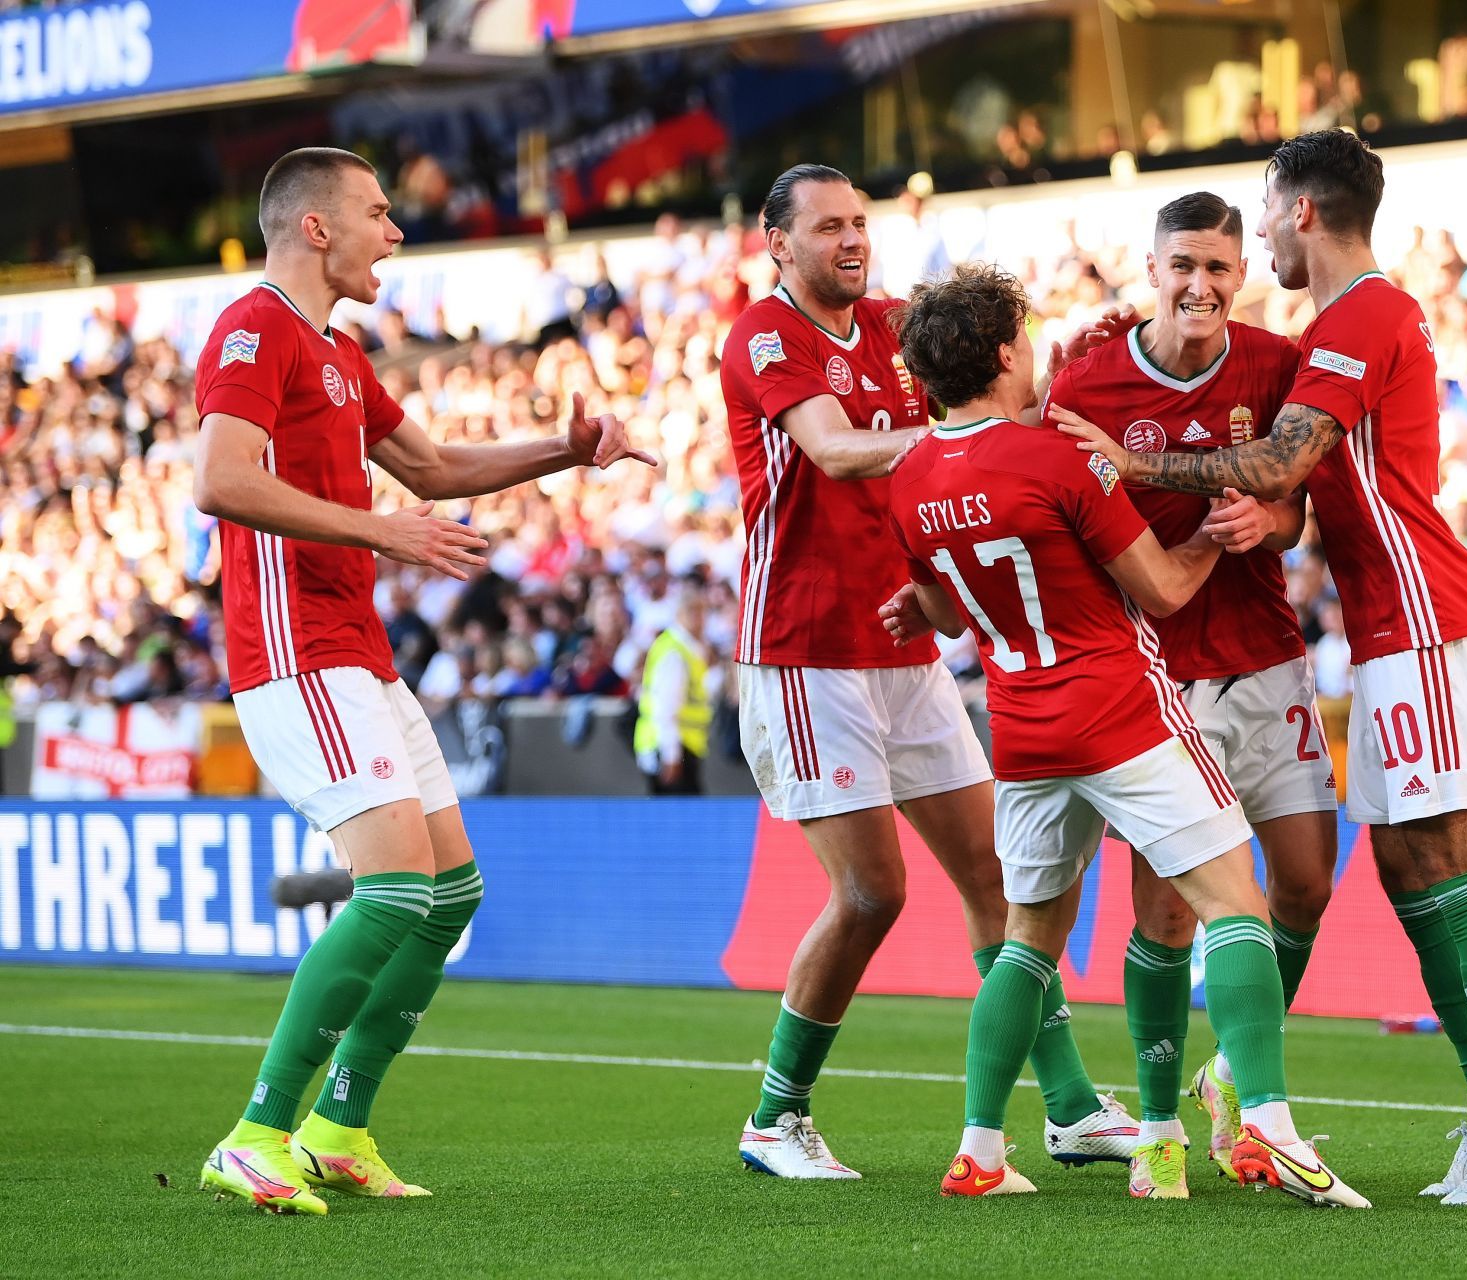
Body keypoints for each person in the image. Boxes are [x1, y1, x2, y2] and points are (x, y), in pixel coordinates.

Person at [1052, 130, 1467, 1206]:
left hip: (1422, 611)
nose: (1249, 241)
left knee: (1452, 849)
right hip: (1385, 625)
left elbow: (1283, 462)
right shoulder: (1334, 323)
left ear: (1297, 213)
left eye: (1260, 215)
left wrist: (1135, 456)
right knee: (1415, 861)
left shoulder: (1361, 315)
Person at [192, 147, 654, 1214]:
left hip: (358, 652)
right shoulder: (254, 329)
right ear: (317, 228)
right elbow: (221, 479)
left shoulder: (341, 353)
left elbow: (436, 470)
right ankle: (257, 1128)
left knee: (451, 892)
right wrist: (379, 531)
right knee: (396, 885)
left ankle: (338, 1123)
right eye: (379, 213)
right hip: (295, 651)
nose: (394, 233)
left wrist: (564, 450)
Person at [885, 264, 1366, 1207]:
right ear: (1002, 352)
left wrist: (927, 605)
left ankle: (980, 1150)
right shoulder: (1059, 459)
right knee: (1237, 907)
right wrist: (1213, 537)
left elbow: (943, 611)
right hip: (1118, 710)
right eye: (1023, 340)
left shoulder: (906, 481)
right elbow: (1166, 589)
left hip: (1020, 732)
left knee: (1027, 940)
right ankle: (1267, 1124)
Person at [719, 164, 1132, 1180]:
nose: (851, 240)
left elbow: (998, 388)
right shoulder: (763, 334)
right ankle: (777, 1115)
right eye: (828, 227)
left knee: (1001, 873)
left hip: (905, 646)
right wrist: (968, 430)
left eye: (859, 222)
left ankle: (1072, 1106)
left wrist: (1075, 350)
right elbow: (835, 451)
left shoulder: (898, 325)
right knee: (870, 892)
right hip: (804, 648)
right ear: (778, 243)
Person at [1042, 191, 1339, 1187]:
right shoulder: (1088, 377)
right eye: (1183, 266)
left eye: (1218, 266)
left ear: (1242, 266)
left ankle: (1230, 1076)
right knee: (1166, 915)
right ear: (1153, 268)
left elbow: (1297, 506)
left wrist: (1272, 525)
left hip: (1267, 653)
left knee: (1304, 881)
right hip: (1157, 678)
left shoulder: (1277, 364)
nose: (1201, 285)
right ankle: (1163, 1127)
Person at [633, 588, 712, 795]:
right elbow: (666, 707)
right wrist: (672, 755)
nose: (698, 619)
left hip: (681, 745)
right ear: (678, 614)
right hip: (670, 746)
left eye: (701, 612)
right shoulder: (674, 652)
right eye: (692, 612)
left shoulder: (686, 648)